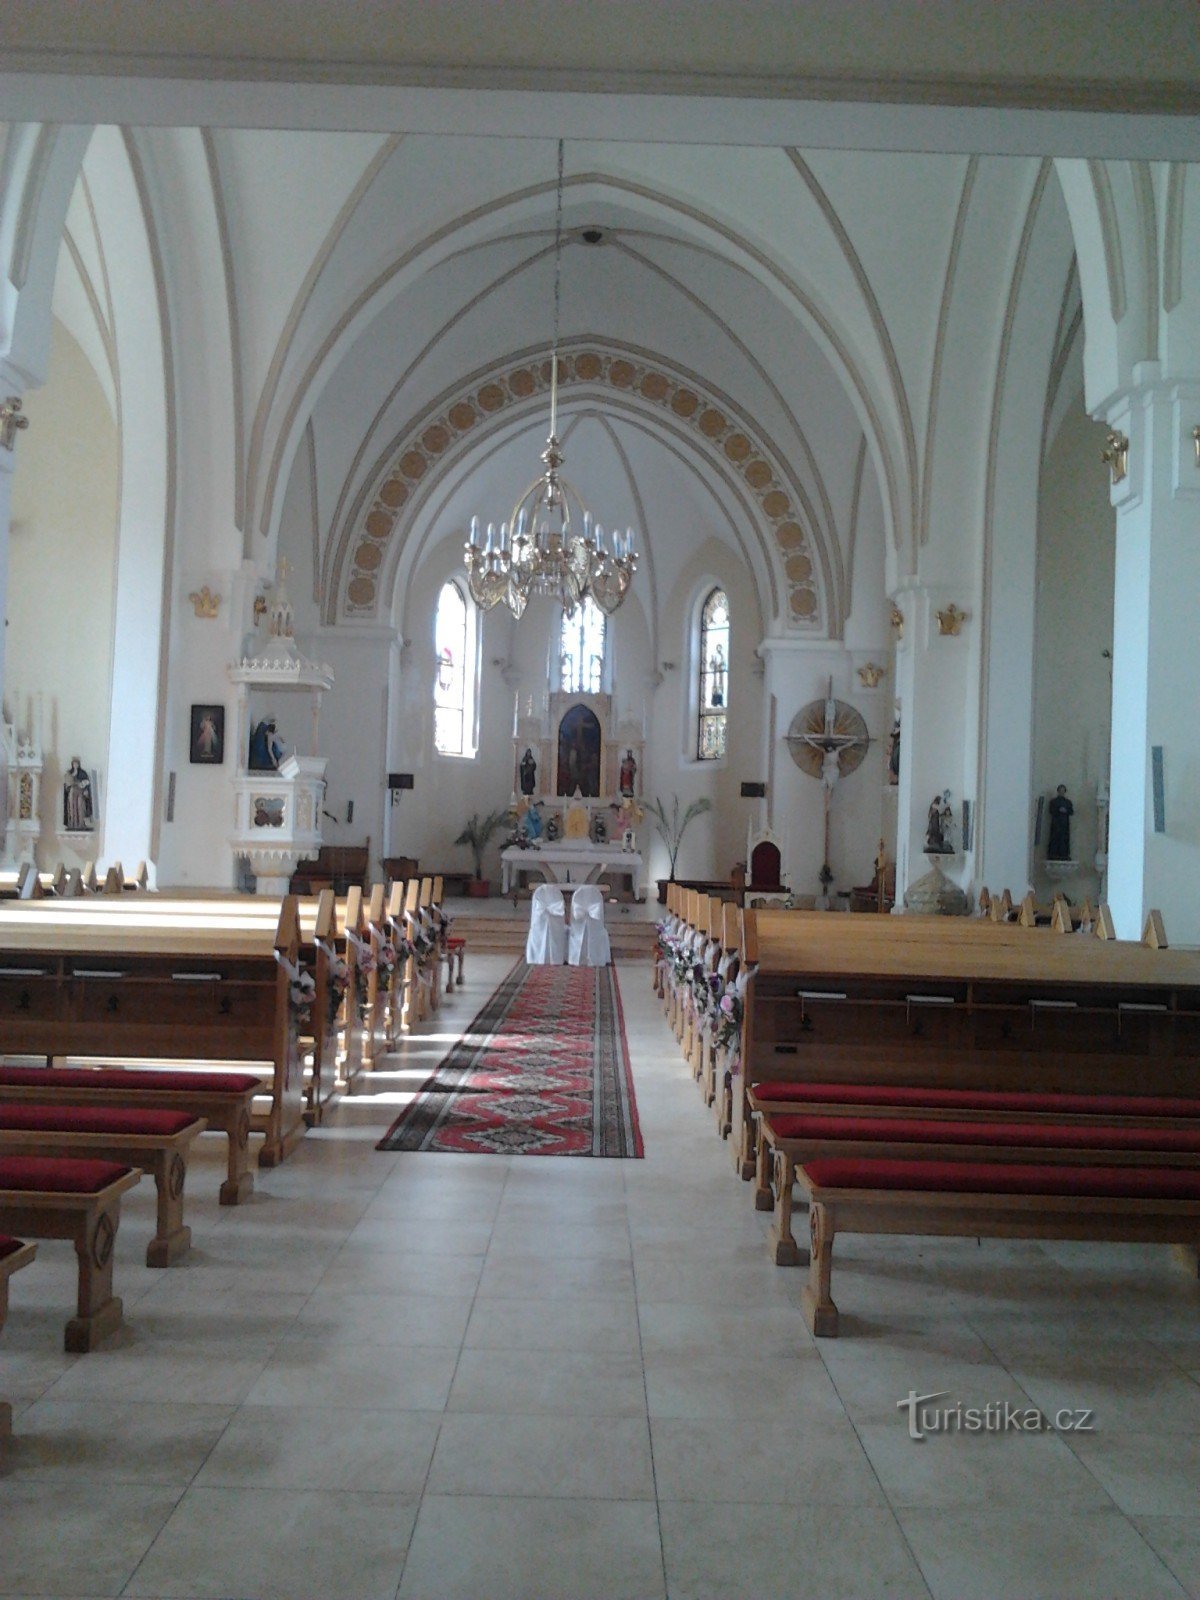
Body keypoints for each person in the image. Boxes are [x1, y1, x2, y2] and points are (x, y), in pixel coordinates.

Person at [63, 758, 93, 831]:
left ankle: (80, 824)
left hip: (80, 792)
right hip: (72, 792)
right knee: (72, 808)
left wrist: (85, 789)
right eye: (74, 764)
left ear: (79, 764)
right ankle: (72, 824)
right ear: (72, 765)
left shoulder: (83, 773)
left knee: (80, 807)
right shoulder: (69, 773)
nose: (75, 765)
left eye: (77, 763)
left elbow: (86, 782)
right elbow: (67, 784)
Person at [1047, 784, 1074, 860]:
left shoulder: (1068, 802)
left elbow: (1071, 812)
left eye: (1063, 791)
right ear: (1058, 791)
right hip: (1056, 825)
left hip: (1064, 826)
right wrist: (1059, 810)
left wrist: (1065, 810)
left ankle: (1064, 854)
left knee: (1064, 840)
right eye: (1060, 791)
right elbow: (1051, 811)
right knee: (1055, 840)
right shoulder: (1053, 802)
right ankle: (1053, 854)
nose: (1061, 792)